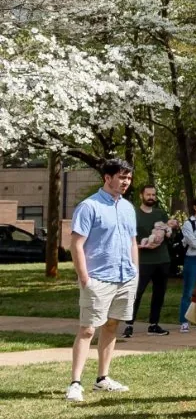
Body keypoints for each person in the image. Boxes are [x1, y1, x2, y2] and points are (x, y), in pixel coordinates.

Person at [66, 157, 138, 404]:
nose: (125, 182)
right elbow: (76, 244)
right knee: (87, 329)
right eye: (121, 177)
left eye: (128, 178)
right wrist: (84, 277)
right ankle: (75, 383)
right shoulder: (89, 207)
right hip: (97, 278)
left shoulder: (128, 207)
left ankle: (102, 379)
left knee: (111, 326)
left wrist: (135, 271)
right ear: (107, 178)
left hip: (124, 277)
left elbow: (131, 241)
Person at [129, 183, 173, 336]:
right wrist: (142, 245)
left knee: (159, 293)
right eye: (148, 195)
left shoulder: (160, 214)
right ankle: (129, 324)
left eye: (153, 195)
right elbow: (130, 237)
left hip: (162, 260)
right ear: (141, 195)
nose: (151, 197)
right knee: (137, 292)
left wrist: (168, 232)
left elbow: (168, 233)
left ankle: (154, 324)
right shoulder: (133, 214)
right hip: (143, 261)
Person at [177, 205, 196, 330]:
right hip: (192, 259)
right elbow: (193, 243)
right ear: (195, 207)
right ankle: (184, 321)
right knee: (188, 291)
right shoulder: (188, 224)